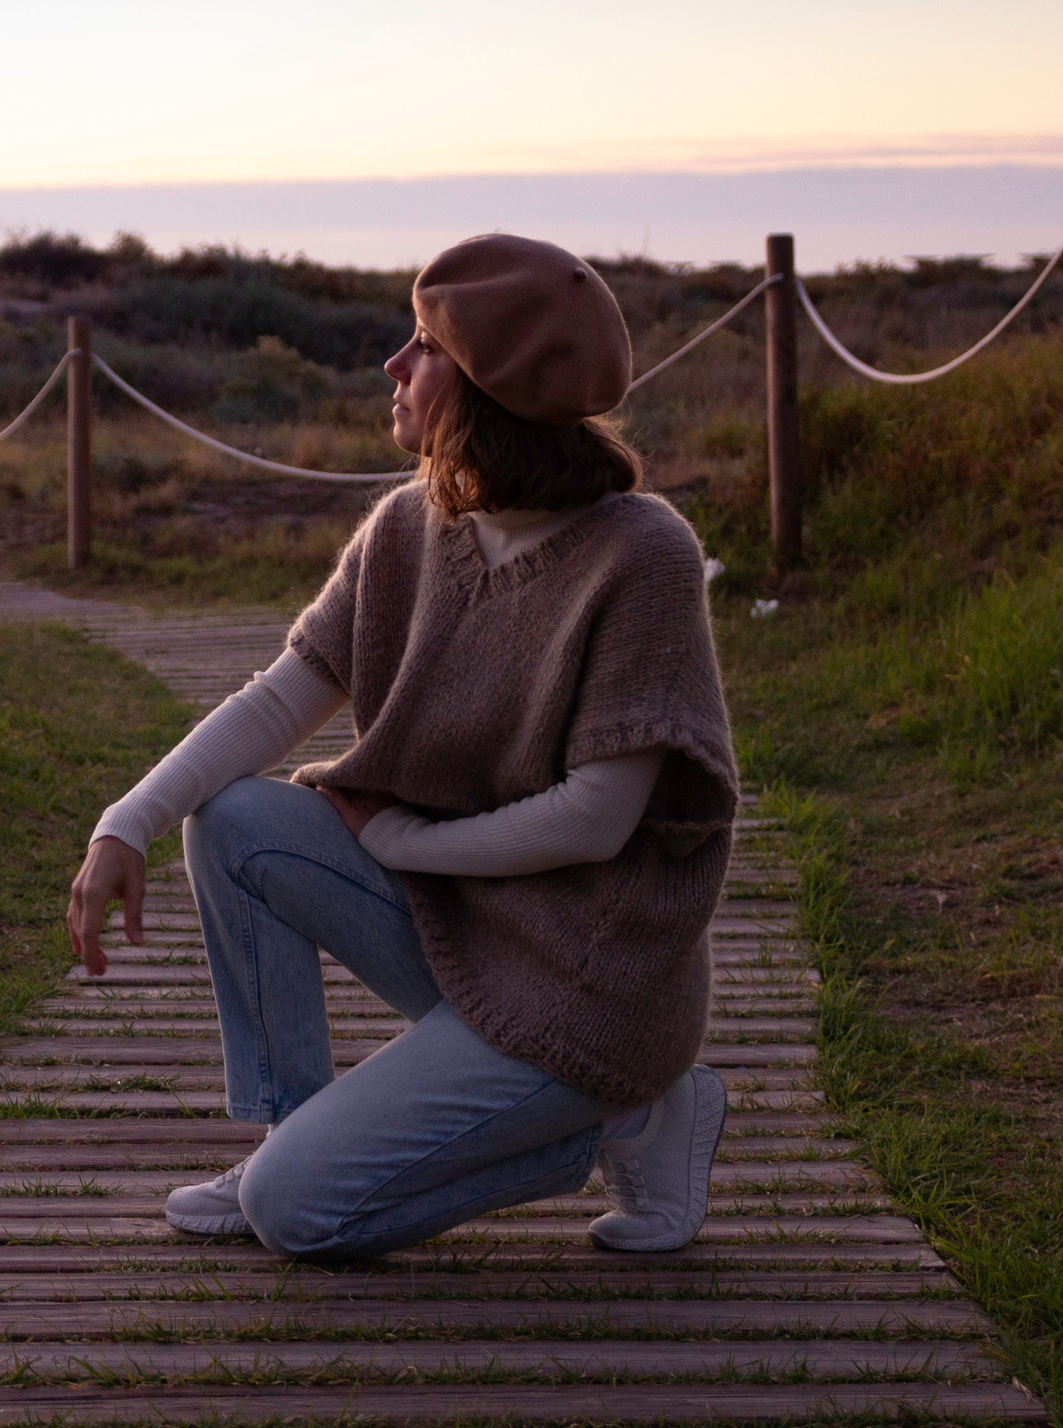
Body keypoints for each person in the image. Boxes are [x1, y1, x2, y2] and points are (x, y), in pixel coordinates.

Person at [65, 233, 739, 1261]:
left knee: (298, 1215)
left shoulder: (639, 556)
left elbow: (599, 819)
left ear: (483, 387)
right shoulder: (406, 529)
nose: (393, 364)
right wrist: (126, 824)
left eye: (421, 344)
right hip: (465, 928)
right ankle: (289, 1131)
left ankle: (622, 1113)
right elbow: (277, 701)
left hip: (588, 989)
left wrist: (400, 844)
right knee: (238, 818)